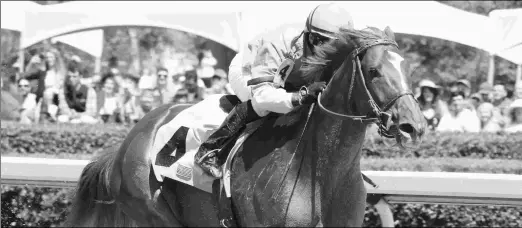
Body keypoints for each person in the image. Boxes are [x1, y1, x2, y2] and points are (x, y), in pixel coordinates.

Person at [194, 3, 353, 178]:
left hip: (291, 76)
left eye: (335, 44)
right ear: (310, 35)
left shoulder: (338, 51)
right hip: (249, 68)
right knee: (265, 105)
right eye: (321, 41)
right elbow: (263, 95)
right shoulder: (279, 43)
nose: (327, 49)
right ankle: (209, 150)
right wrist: (300, 96)